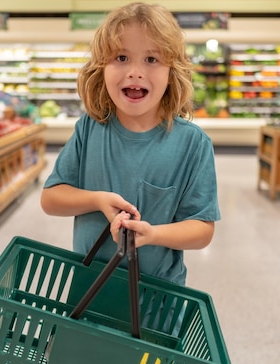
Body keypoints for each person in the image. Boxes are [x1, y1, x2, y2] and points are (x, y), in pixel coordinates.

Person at [40, 2, 220, 286]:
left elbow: (202, 229)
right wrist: (97, 200)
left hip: (157, 302)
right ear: (101, 68)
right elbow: (50, 199)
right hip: (89, 292)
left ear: (173, 71)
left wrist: (154, 235)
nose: (135, 72)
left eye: (151, 60)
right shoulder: (90, 128)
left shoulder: (192, 144)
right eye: (121, 57)